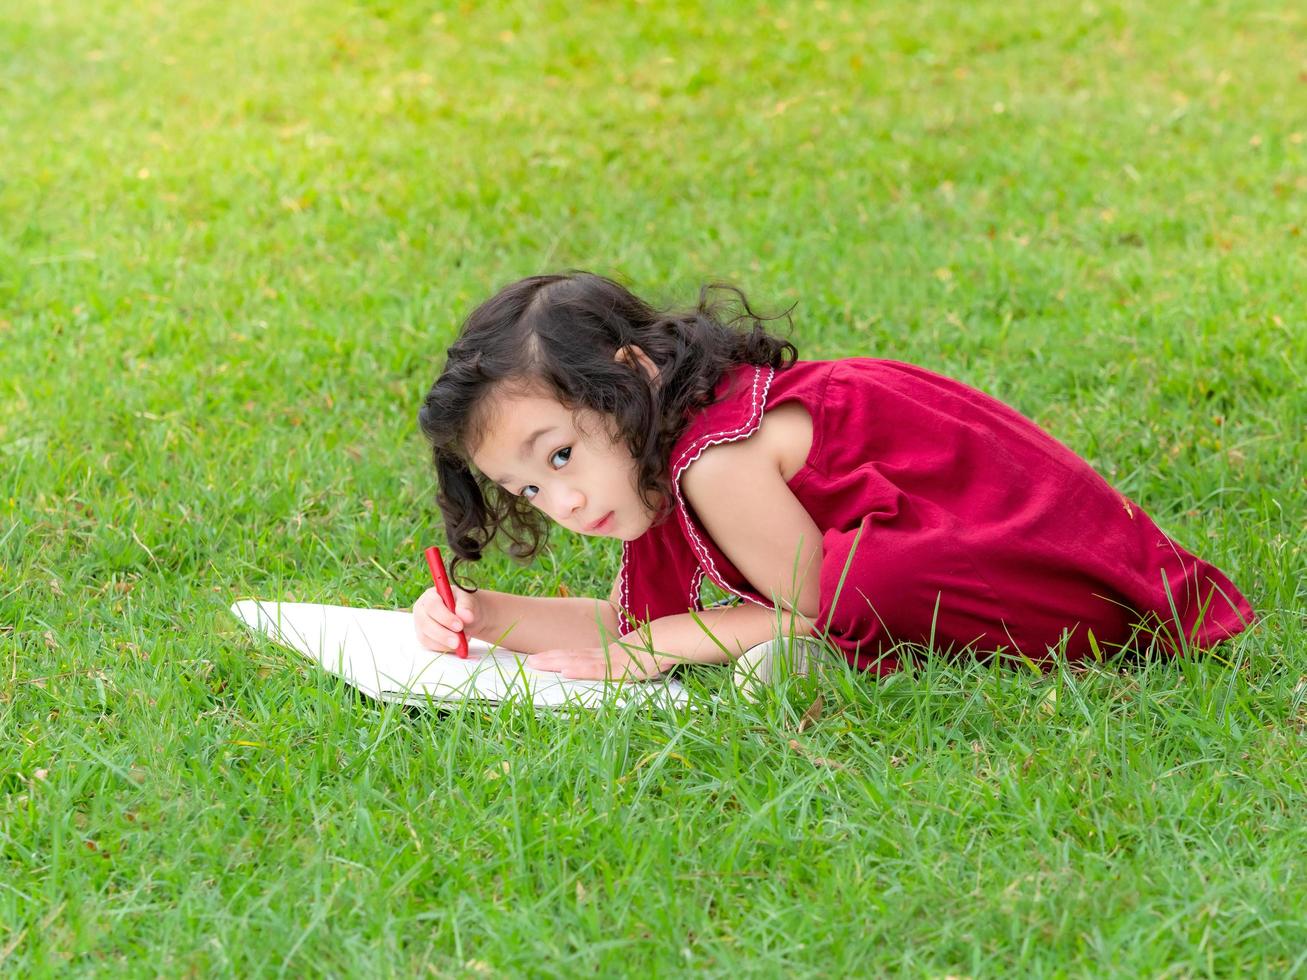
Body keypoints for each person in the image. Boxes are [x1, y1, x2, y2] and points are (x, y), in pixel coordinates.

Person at [412, 271, 1255, 681]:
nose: (559, 502)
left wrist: (654, 651)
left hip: (1051, 569)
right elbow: (632, 621)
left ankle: (815, 671)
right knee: (827, 597)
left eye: (559, 455)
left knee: (864, 584)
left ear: (629, 378)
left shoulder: (715, 459)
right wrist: (487, 617)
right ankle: (798, 665)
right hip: (1045, 554)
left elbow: (802, 605)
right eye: (524, 489)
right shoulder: (661, 455)